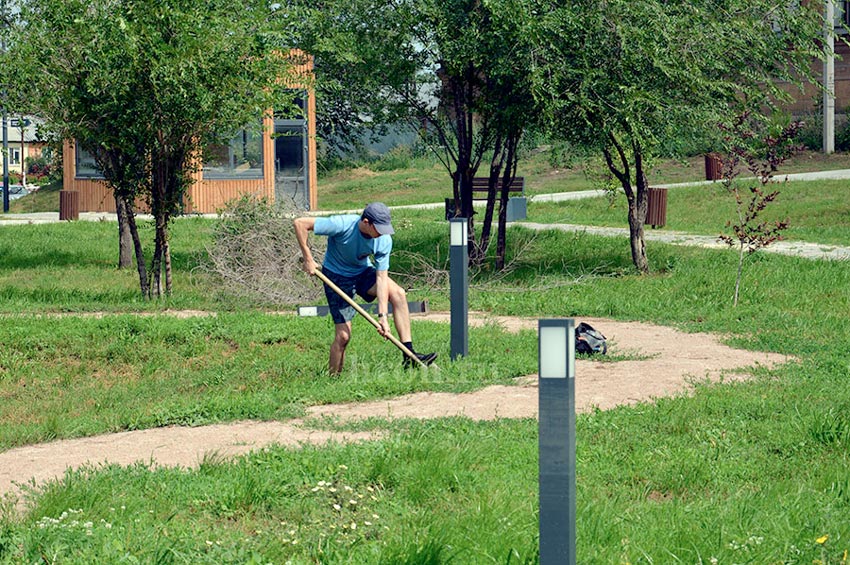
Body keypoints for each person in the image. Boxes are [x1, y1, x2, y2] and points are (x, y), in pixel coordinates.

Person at [294, 202, 437, 375]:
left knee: (398, 294)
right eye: (379, 228)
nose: (382, 233)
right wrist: (308, 258)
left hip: (362, 272)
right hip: (337, 277)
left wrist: (383, 317)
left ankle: (409, 355)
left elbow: (381, 278)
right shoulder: (342, 224)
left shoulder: (383, 240)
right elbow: (300, 223)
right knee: (343, 337)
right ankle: (332, 379)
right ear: (367, 222)